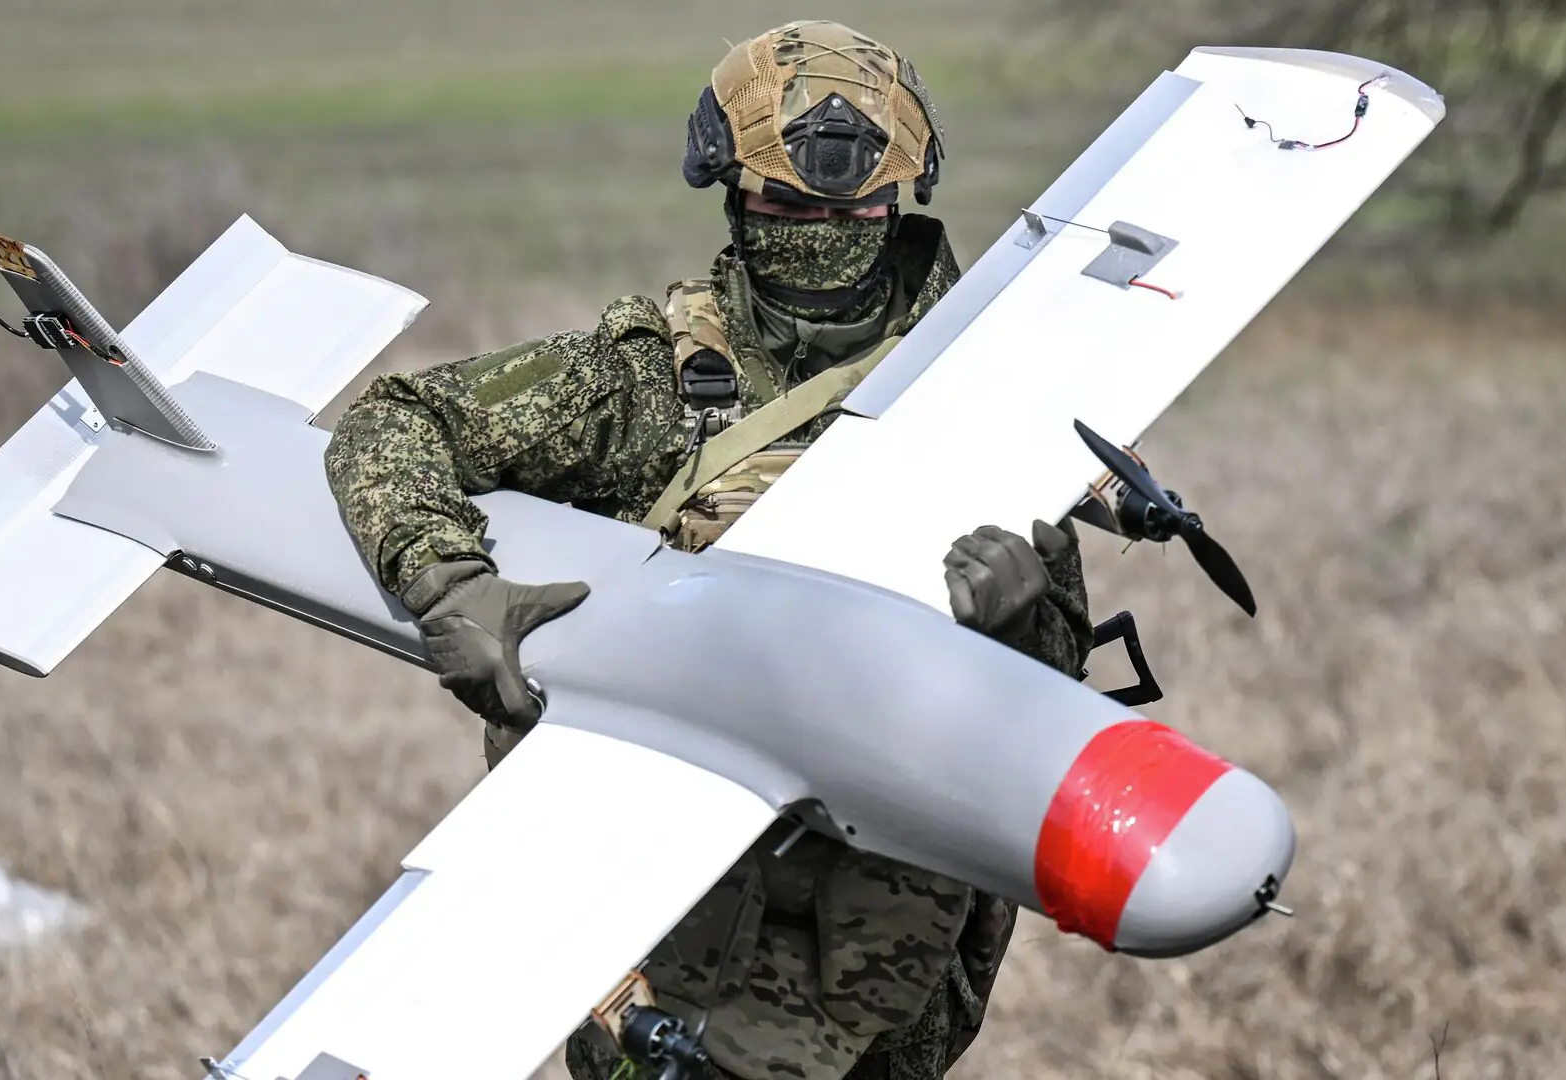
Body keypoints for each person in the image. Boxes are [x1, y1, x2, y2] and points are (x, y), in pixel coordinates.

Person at [324, 20, 1162, 1079]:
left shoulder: (987, 389)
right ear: (731, 194)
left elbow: (1050, 706)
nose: (823, 227)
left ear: (899, 199)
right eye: (789, 204)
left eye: (853, 207)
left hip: (888, 963)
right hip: (676, 949)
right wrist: (448, 584)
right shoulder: (650, 385)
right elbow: (394, 422)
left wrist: (1022, 619)